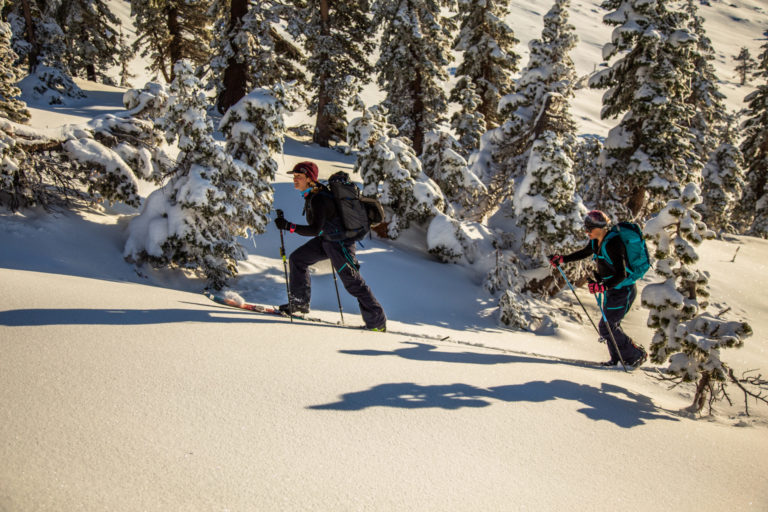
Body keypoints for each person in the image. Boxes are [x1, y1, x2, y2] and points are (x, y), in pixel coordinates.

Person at [274, 161, 387, 332]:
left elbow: (314, 229)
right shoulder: (313, 195)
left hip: (340, 243)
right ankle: (299, 303)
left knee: (352, 282)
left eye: (299, 176)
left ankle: (377, 322)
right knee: (298, 259)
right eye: (294, 176)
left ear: (310, 179)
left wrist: (288, 226)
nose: (295, 179)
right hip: (327, 240)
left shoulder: (319, 198)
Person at [549, 210, 647, 368]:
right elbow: (585, 252)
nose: (587, 232)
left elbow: (621, 274)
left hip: (623, 290)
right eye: (586, 228)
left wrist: (602, 286)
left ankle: (636, 355)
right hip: (612, 290)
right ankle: (617, 360)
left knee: (607, 326)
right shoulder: (596, 241)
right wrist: (562, 259)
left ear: (601, 228)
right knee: (610, 324)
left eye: (590, 229)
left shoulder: (614, 243)